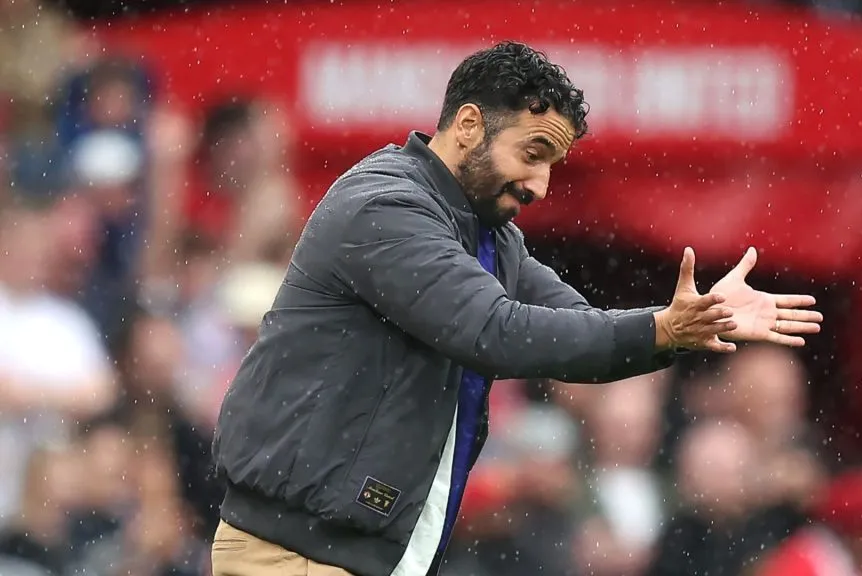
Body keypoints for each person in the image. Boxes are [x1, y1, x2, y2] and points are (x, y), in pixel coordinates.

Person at [211, 40, 823, 576]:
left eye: (553, 166)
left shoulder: (487, 235)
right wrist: (661, 328)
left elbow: (577, 334)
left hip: (363, 556)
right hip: (295, 557)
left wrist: (687, 324)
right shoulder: (386, 206)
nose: (540, 187)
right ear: (470, 125)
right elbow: (497, 331)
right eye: (532, 154)